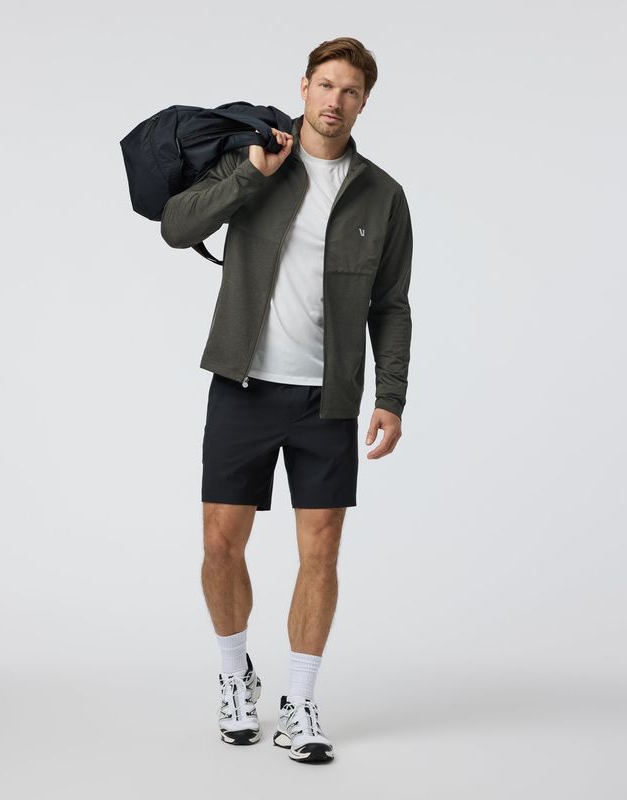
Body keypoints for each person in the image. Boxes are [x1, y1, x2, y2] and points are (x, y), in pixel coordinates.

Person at [161, 36, 413, 764]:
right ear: (303, 87)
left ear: (364, 103)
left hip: (326, 401)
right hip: (243, 385)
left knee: (321, 552)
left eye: (351, 91)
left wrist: (390, 395)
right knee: (219, 545)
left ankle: (300, 702)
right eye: (326, 85)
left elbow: (392, 305)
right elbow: (178, 227)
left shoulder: (382, 195)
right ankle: (234, 674)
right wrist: (248, 174)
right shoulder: (257, 158)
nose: (336, 101)